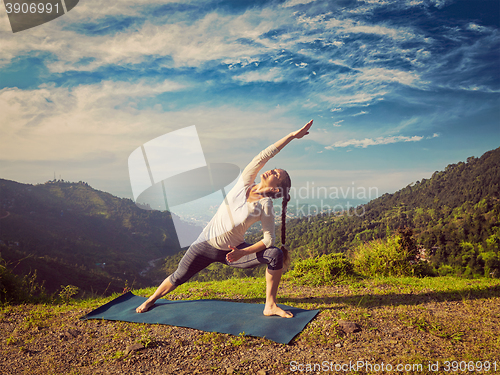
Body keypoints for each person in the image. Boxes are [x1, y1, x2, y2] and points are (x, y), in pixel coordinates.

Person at [136, 120, 313, 317]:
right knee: (179, 276)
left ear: (274, 188)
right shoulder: (245, 183)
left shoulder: (265, 206)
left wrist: (241, 252)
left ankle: (270, 305)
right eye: (274, 169)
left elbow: (269, 240)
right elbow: (263, 156)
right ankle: (151, 299)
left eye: (276, 174)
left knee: (274, 254)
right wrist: (291, 136)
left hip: (232, 252)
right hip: (205, 244)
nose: (271, 170)